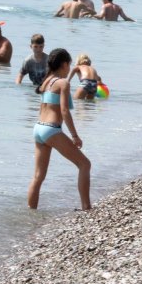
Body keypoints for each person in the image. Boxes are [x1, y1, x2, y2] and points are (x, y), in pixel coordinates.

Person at [27, 48, 91, 211]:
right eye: (69, 64)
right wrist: (75, 135)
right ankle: (86, 207)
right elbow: (64, 111)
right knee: (85, 164)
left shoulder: (46, 81)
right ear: (64, 64)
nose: (69, 68)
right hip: (51, 129)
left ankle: (31, 213)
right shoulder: (63, 83)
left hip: (38, 128)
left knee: (38, 176)